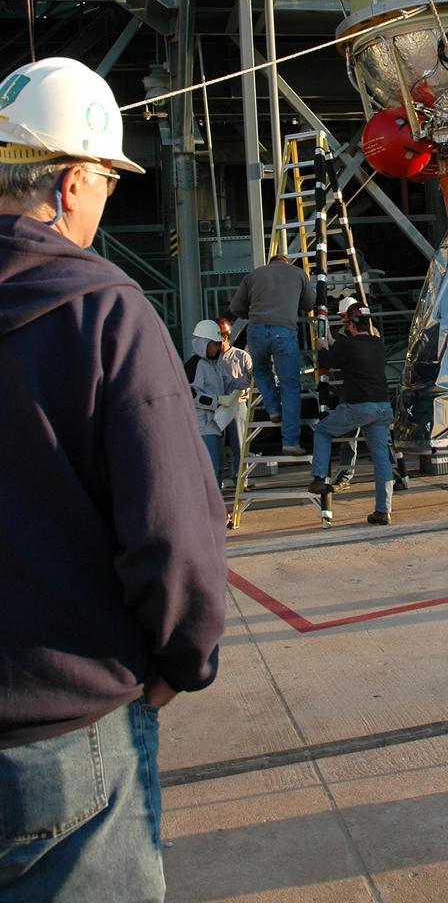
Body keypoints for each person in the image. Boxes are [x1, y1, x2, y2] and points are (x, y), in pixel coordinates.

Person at [0, 57, 225, 902]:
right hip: (65, 738)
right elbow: (174, 531)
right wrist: (181, 662)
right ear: (66, 184)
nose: (105, 201)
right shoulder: (104, 310)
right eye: (104, 181)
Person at [307, 304, 395, 525]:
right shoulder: (378, 343)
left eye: (348, 324)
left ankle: (318, 478)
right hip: (383, 407)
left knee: (323, 431)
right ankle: (383, 511)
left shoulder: (348, 344)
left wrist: (321, 344)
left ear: (353, 325)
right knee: (381, 460)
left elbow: (328, 360)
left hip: (359, 406)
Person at [229, 253, 316, 456]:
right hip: (284, 331)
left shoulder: (254, 275)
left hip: (256, 330)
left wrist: (252, 315)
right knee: (290, 386)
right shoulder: (298, 274)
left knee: (260, 370)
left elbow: (235, 307)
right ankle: (290, 441)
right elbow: (309, 305)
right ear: (286, 262)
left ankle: (273, 407)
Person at [184, 319, 249, 489]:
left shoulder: (214, 365)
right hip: (202, 426)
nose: (218, 348)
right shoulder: (194, 365)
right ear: (203, 343)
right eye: (214, 344)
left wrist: (248, 379)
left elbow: (230, 383)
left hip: (214, 424)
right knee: (210, 472)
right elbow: (191, 395)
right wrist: (217, 400)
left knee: (217, 470)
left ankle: (215, 508)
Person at [216, 316, 252, 484]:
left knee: (240, 445)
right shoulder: (211, 360)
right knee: (216, 447)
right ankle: (217, 482)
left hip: (238, 404)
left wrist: (238, 386)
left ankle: (241, 482)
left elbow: (252, 379)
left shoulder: (242, 356)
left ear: (226, 336)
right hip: (218, 406)